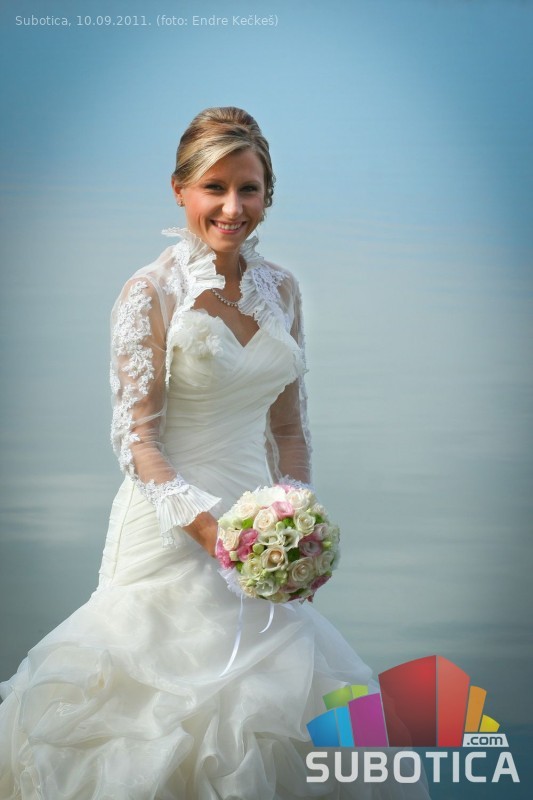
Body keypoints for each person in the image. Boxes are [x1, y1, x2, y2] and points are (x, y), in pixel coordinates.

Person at [0, 107, 430, 799]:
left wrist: (294, 520)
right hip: (169, 527)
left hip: (260, 525)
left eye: (248, 189)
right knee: (144, 714)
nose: (233, 208)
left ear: (267, 194)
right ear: (180, 190)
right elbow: (137, 439)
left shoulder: (282, 290)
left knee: (283, 708)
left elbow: (289, 431)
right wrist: (215, 535)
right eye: (214, 187)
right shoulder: (150, 292)